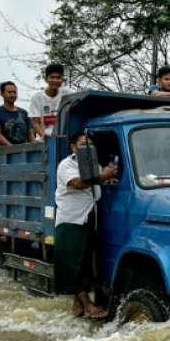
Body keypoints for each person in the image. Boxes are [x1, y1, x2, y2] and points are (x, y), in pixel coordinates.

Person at [55, 132, 119, 319]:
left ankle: (77, 306)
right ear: (73, 147)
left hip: (89, 219)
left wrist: (107, 178)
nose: (87, 148)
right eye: (83, 145)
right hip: (71, 221)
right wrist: (101, 177)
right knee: (73, 264)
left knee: (83, 264)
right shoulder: (66, 165)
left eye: (90, 145)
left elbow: (98, 181)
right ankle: (89, 306)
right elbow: (77, 183)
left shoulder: (95, 164)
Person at [29, 64, 72, 142]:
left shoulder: (67, 93)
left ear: (62, 80)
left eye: (58, 78)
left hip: (64, 137)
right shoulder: (37, 97)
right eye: (52, 77)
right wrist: (43, 135)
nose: (55, 80)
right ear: (46, 79)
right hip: (45, 140)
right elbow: (36, 122)